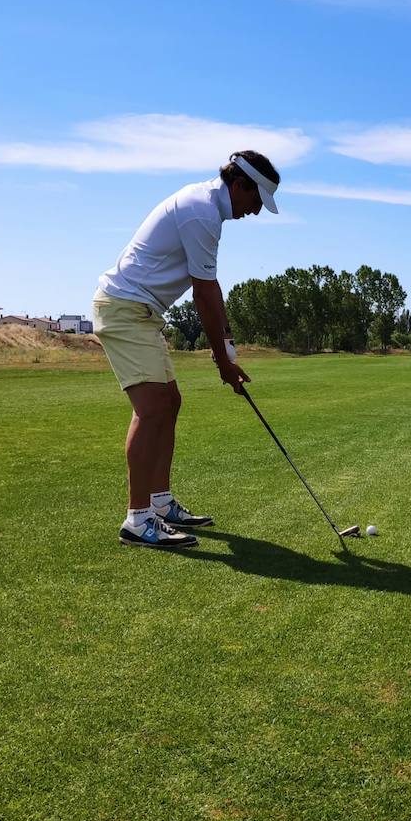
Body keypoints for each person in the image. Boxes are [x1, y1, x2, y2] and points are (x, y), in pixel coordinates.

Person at [92, 150, 281, 548]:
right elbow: (205, 294)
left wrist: (225, 353)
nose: (256, 212)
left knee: (170, 402)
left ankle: (160, 504)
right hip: (125, 309)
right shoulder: (201, 212)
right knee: (153, 408)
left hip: (141, 313)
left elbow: (211, 294)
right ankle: (138, 519)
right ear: (240, 184)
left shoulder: (206, 207)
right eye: (256, 200)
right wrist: (224, 362)